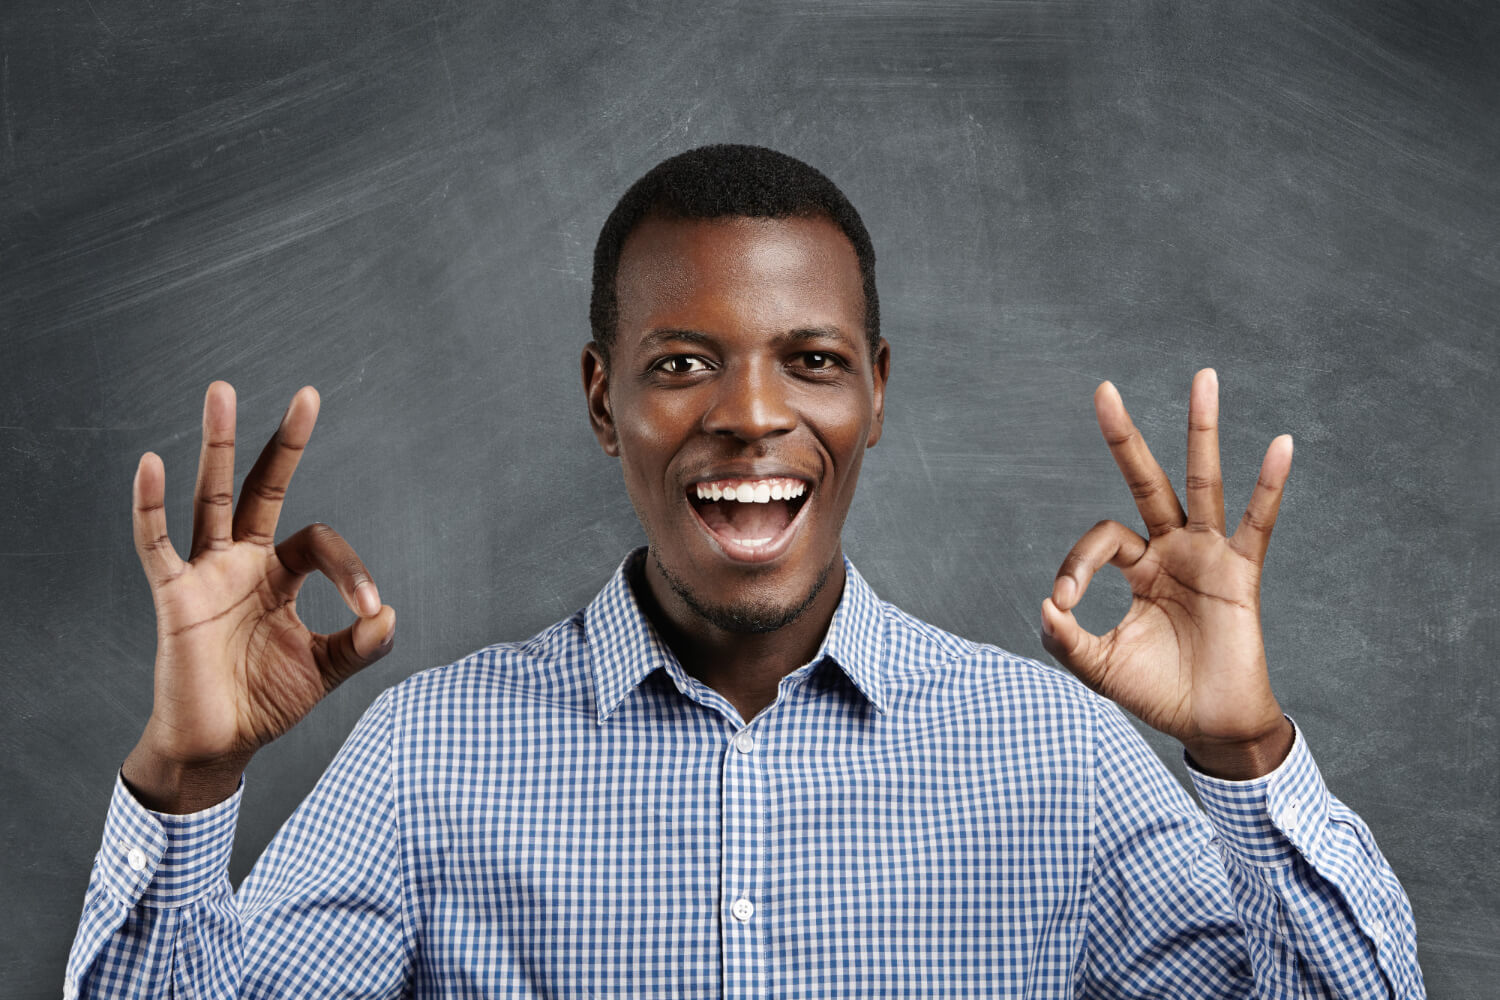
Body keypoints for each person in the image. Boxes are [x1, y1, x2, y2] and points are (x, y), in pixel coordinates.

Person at [65, 144, 1423, 997]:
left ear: (875, 397)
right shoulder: (430, 760)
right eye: (681, 364)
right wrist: (187, 787)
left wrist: (1248, 756)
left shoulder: (1058, 761)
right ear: (605, 403)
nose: (752, 414)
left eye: (813, 362)